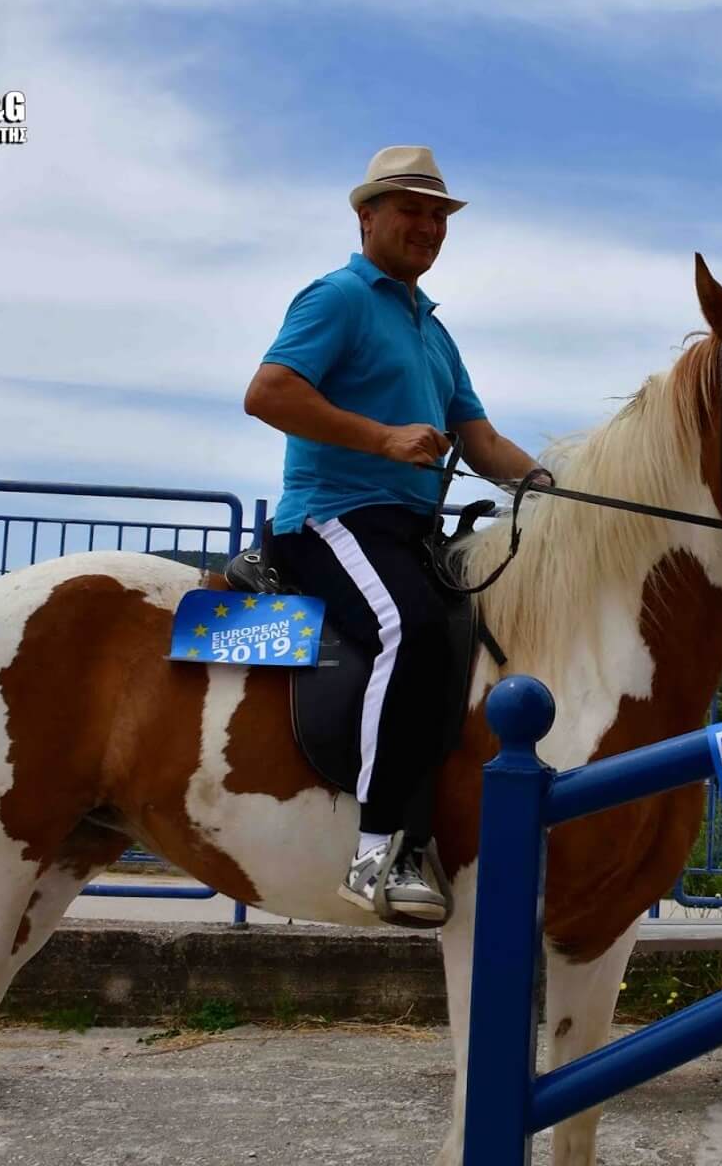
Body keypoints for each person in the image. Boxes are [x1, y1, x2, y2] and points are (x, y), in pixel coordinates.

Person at [244, 146, 541, 925]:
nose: (427, 225)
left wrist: (553, 490)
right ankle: (378, 852)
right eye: (410, 209)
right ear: (365, 215)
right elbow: (268, 392)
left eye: (439, 214)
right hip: (331, 517)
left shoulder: (433, 331)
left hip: (406, 530)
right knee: (407, 626)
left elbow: (479, 441)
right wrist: (379, 440)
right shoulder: (338, 297)